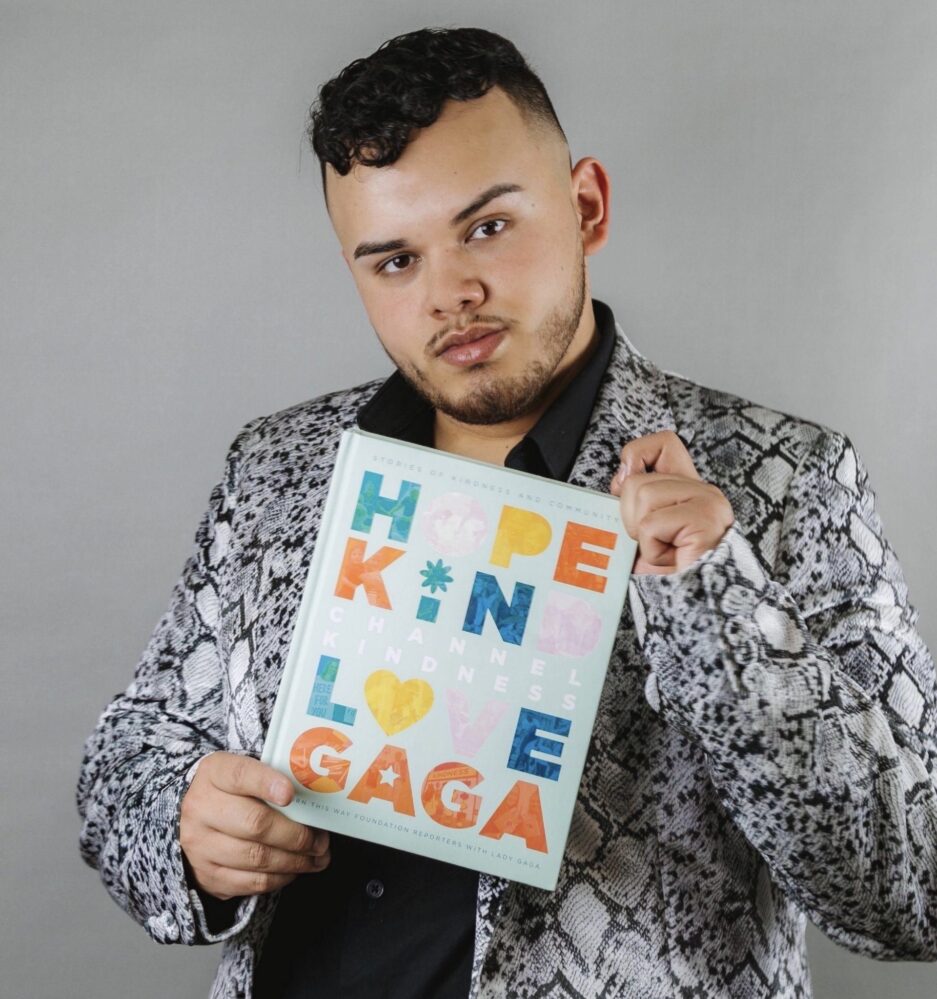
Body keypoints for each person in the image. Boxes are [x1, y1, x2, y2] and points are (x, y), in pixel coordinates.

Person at [76, 25, 937, 999]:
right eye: (394, 261)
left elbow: (907, 891)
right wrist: (188, 827)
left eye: (487, 227)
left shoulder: (784, 479)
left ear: (586, 206)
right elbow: (132, 760)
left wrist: (721, 600)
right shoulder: (277, 466)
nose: (452, 293)